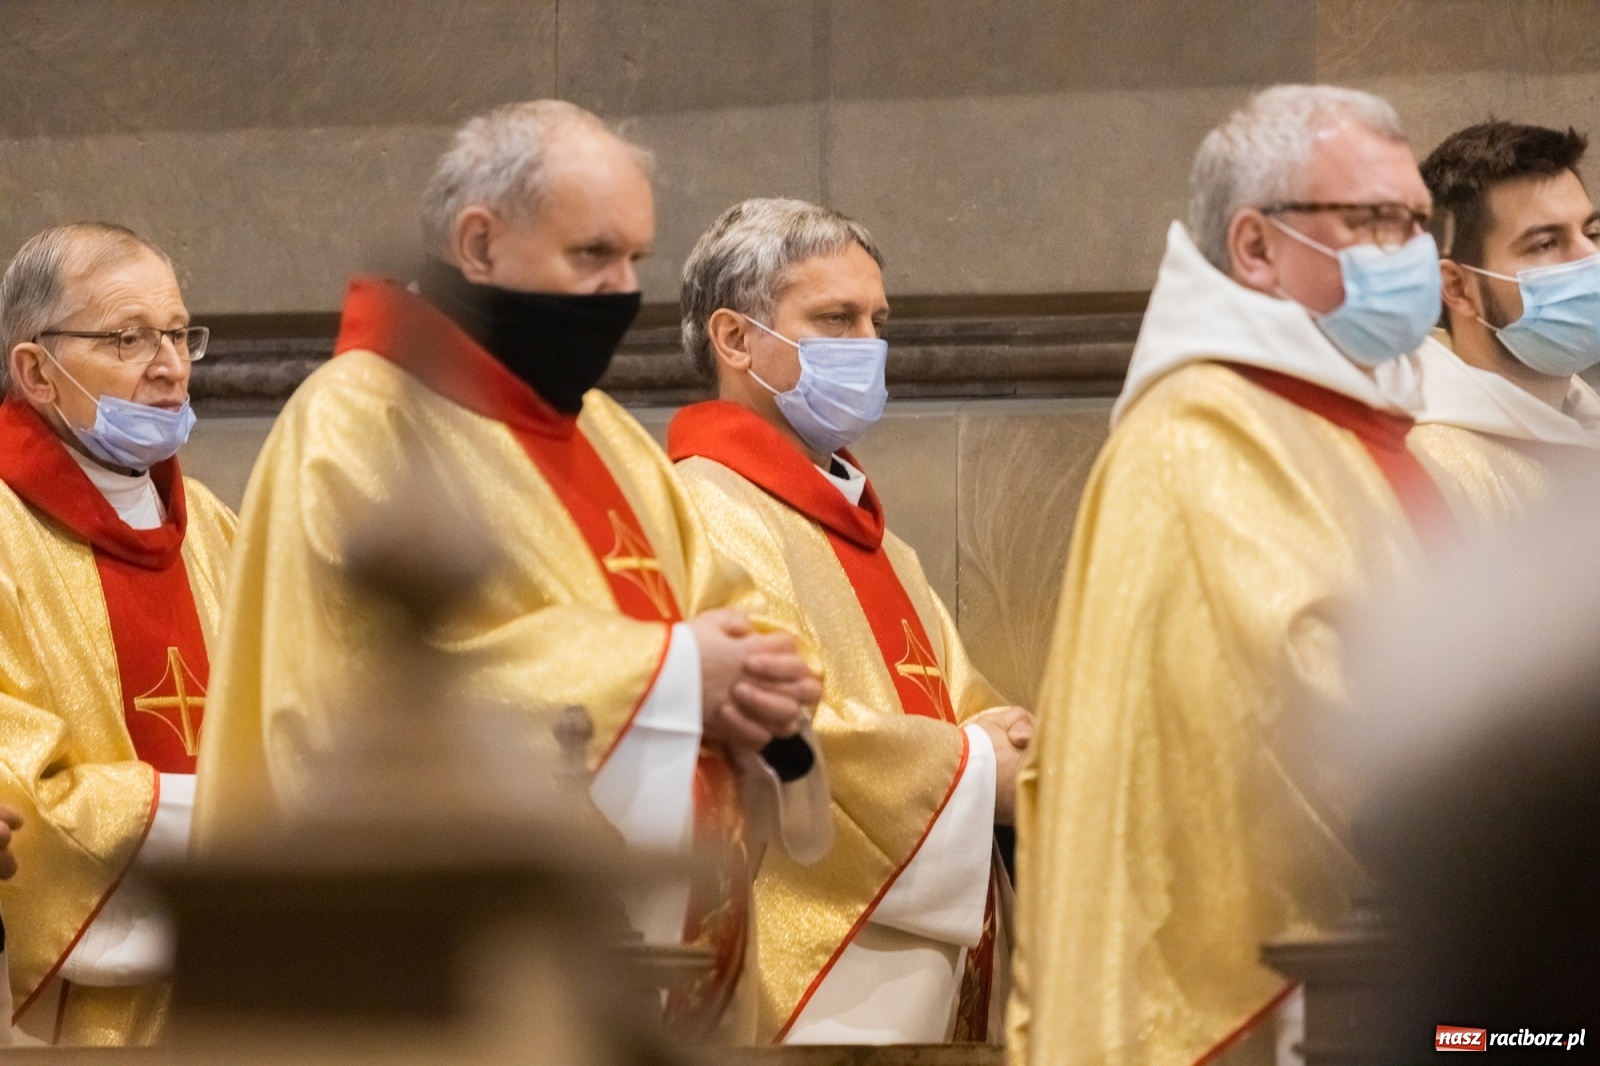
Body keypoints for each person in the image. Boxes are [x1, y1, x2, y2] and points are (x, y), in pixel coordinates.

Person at [192, 101, 827, 1040]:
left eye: (635, 261)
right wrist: (680, 675)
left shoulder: (609, 437)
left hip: (659, 977)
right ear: (480, 244)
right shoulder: (358, 425)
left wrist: (762, 686)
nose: (622, 291)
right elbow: (354, 702)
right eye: (592, 256)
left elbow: (718, 615)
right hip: (454, 988)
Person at [1009, 86, 1450, 1066]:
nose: (1412, 251)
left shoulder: (1346, 423)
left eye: (1418, 222)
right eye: (1374, 220)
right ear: (1255, 247)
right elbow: (1298, 706)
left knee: (1544, 1035)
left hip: (1421, 988)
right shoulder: (1201, 436)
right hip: (1285, 1007)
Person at [668, 198, 1031, 1045]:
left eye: (878, 319)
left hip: (922, 955)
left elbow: (951, 700)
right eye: (834, 318)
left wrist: (1005, 737)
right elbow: (770, 725)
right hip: (812, 967)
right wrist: (983, 770)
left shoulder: (871, 533)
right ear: (735, 340)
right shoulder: (702, 510)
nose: (868, 343)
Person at [0, 223, 236, 1045]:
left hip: (238, 989)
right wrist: (243, 822)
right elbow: (20, 794)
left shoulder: (209, 526)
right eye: (128, 338)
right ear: (36, 371)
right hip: (71, 1014)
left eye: (178, 334)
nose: (170, 365)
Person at [1386, 121, 1600, 525]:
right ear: (1457, 288)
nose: (1590, 258)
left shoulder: (1581, 416)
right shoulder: (1434, 473)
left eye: (1592, 231)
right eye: (1546, 244)